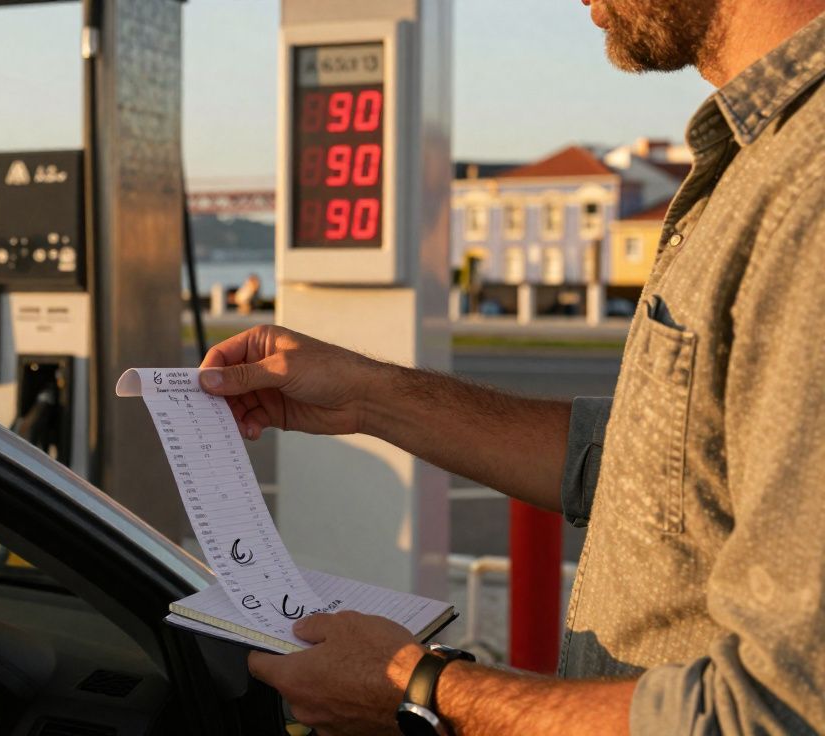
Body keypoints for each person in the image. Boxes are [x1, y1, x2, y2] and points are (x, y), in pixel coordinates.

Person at [199, 1, 825, 733]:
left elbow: (782, 713)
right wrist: (372, 397)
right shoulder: (764, 159)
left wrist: (422, 692)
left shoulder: (807, 192)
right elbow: (656, 466)